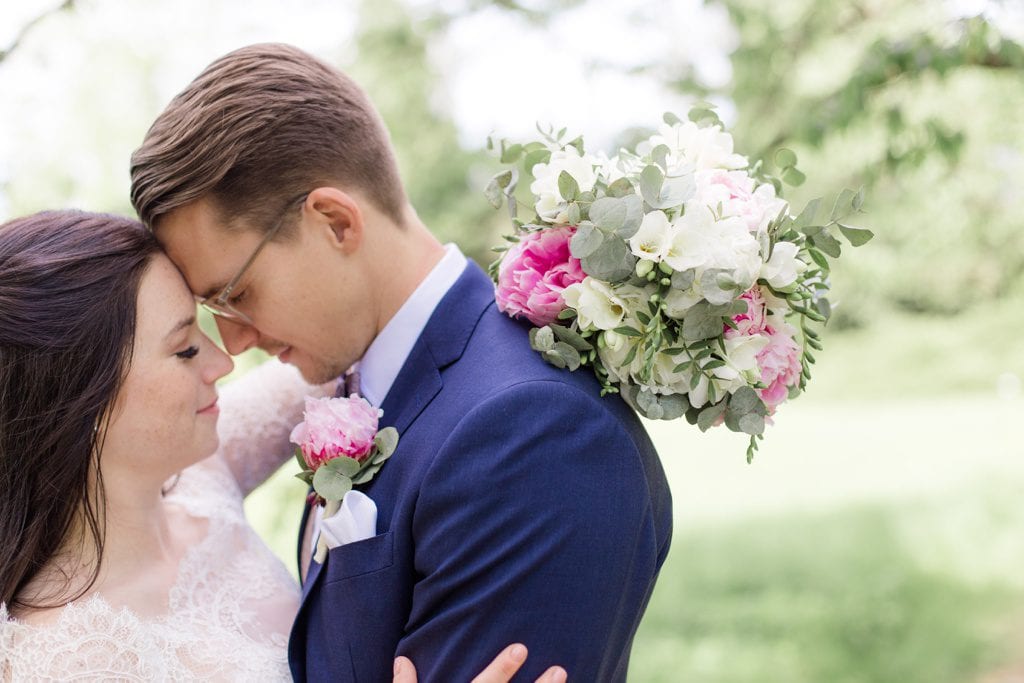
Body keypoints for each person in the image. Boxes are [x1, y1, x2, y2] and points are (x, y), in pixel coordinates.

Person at [130, 43, 673, 682]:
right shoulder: (373, 377)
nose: (234, 341)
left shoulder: (531, 432)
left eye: (236, 295)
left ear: (334, 222)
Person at [0, 210, 565, 683]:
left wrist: (577, 286)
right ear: (83, 401)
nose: (222, 362)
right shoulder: (62, 661)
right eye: (184, 350)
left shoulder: (202, 478)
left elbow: (353, 331)